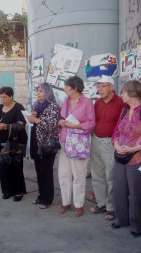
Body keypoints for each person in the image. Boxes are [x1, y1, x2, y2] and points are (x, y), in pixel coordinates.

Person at [58, 76, 95, 217]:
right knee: (63, 174)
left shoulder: (87, 102)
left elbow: (91, 123)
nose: (65, 89)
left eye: (67, 87)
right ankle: (65, 202)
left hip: (79, 143)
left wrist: (76, 125)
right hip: (65, 141)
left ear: (75, 88)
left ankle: (79, 204)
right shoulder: (66, 102)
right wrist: (61, 122)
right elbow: (62, 117)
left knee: (79, 175)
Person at [90, 75, 126, 220]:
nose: (100, 89)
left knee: (111, 175)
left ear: (111, 87)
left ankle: (111, 207)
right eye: (98, 86)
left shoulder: (120, 102)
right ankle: (101, 203)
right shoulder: (97, 102)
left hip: (110, 142)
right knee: (97, 174)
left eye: (103, 86)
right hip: (96, 140)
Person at [111, 80, 141, 238]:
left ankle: (137, 224)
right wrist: (115, 143)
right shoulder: (124, 111)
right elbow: (116, 131)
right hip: (120, 157)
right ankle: (121, 219)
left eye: (123, 92)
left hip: (136, 159)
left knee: (136, 193)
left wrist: (133, 148)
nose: (121, 94)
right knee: (119, 190)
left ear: (133, 93)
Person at [27, 83, 60, 209]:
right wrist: (31, 117)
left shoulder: (53, 106)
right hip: (36, 139)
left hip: (47, 142)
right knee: (39, 170)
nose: (38, 93)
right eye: (37, 91)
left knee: (46, 171)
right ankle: (41, 195)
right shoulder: (36, 104)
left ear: (47, 92)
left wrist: (36, 120)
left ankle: (47, 199)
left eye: (41, 91)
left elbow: (51, 126)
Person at [0, 87, 27, 202]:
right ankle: (7, 191)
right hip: (0, 142)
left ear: (11, 96)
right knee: (3, 166)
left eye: (5, 97)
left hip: (15, 143)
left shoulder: (18, 107)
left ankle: (18, 191)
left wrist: (6, 126)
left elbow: (22, 124)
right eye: (1, 97)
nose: (2, 99)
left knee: (15, 166)